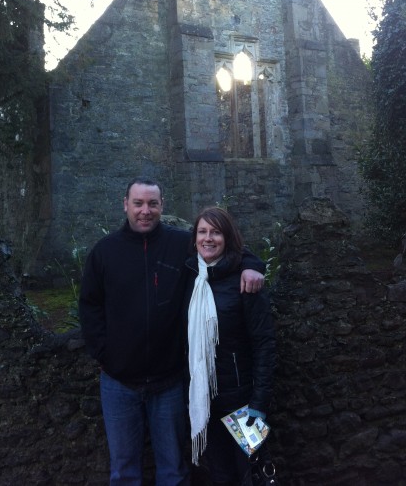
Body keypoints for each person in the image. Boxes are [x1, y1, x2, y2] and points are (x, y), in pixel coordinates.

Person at [79, 178, 265, 485]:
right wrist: (104, 353)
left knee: (176, 471)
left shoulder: (180, 244)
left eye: (152, 203)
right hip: (119, 384)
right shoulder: (105, 252)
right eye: (138, 203)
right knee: (124, 471)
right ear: (125, 204)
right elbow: (89, 306)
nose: (145, 211)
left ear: (162, 206)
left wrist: (253, 265)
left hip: (173, 384)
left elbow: (221, 247)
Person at [186, 206, 275, 485]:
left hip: (242, 402)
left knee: (251, 473)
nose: (208, 238)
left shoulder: (245, 281)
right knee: (220, 476)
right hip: (205, 402)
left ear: (228, 237)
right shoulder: (190, 278)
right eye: (202, 231)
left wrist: (259, 402)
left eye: (216, 232)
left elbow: (264, 343)